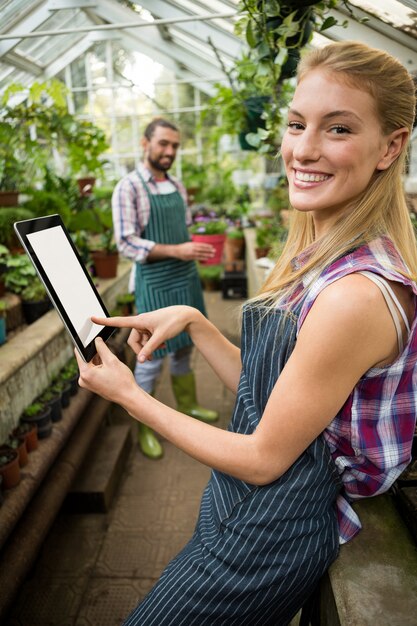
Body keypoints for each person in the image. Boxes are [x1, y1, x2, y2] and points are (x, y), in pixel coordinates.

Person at [76, 41, 417, 625]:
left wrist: (131, 397)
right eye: (295, 124)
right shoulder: (324, 256)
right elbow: (278, 400)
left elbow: (263, 456)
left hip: (268, 531)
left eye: (337, 129)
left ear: (391, 146)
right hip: (244, 507)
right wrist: (197, 322)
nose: (303, 149)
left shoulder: (353, 296)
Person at [112, 117, 219, 459]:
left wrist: (191, 249)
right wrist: (178, 250)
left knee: (186, 345)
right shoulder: (128, 188)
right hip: (155, 283)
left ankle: (188, 406)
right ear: (145, 144)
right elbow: (126, 244)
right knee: (151, 356)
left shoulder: (177, 185)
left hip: (184, 278)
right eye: (163, 144)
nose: (169, 151)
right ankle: (147, 425)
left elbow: (182, 230)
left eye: (174, 145)